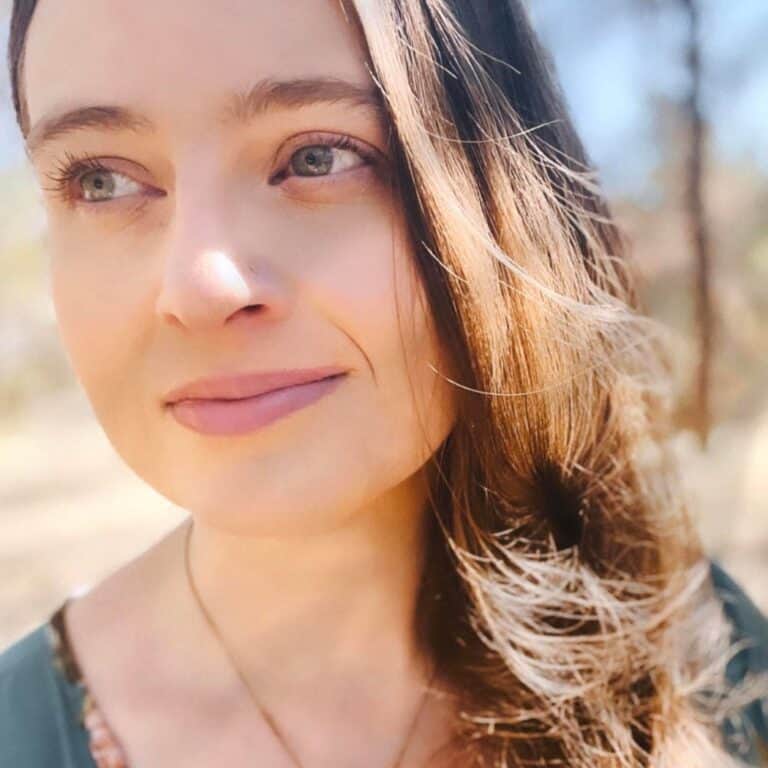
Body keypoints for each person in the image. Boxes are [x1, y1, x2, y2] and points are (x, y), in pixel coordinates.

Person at [1, 0, 766, 766]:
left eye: (318, 157)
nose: (200, 288)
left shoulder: (702, 649)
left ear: (504, 197)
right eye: (99, 180)